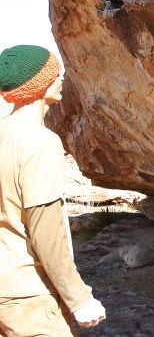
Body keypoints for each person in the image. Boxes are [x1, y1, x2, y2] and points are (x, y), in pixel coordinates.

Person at [0, 45, 106, 336]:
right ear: (39, 85)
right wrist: (79, 298)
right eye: (54, 73)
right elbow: (45, 229)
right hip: (27, 293)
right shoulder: (39, 142)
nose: (61, 78)